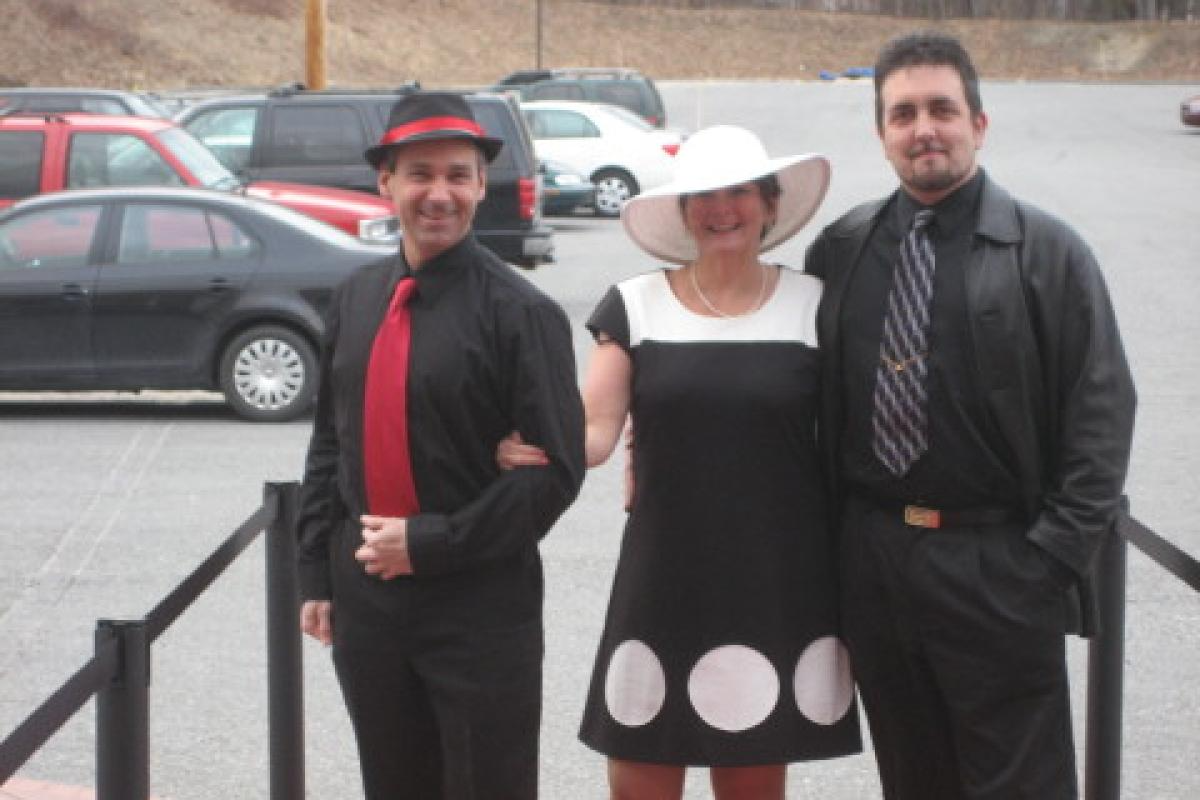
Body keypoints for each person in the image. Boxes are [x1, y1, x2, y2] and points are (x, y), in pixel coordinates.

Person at [804, 31, 1136, 799]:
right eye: (903, 114)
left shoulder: (1047, 253)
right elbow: (794, 393)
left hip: (999, 562)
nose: (924, 129)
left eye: (942, 110)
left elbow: (1101, 413)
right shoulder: (842, 251)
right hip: (877, 563)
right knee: (913, 779)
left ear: (978, 125)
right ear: (882, 133)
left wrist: (1049, 561)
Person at [504, 125, 861, 799]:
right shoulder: (634, 305)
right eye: (703, 196)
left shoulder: (816, 305)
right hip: (664, 573)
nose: (721, 209)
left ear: (770, 203)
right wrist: (518, 437)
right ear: (683, 210)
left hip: (774, 579)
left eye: (739, 192)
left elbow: (851, 437)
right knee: (640, 764)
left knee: (752, 772)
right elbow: (594, 430)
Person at [294, 91, 585, 800]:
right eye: (419, 174)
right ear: (385, 182)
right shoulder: (356, 298)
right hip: (368, 602)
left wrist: (429, 543)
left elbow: (556, 473)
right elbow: (331, 440)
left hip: (479, 607)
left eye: (458, 175)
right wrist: (316, 573)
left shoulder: (523, 314)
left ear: (482, 185)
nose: (439, 193)